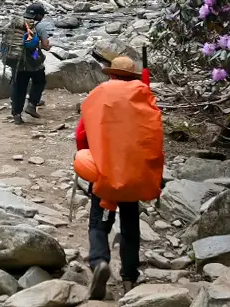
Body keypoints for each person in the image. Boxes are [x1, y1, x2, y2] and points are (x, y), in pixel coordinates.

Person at [75, 55, 160, 299]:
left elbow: (82, 135)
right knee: (130, 224)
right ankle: (129, 278)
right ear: (131, 76)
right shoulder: (143, 95)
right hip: (134, 172)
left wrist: (86, 156)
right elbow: (152, 134)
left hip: (104, 172)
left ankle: (100, 261)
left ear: (111, 74)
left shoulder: (99, 93)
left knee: (99, 223)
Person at [0, 2, 50, 124]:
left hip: (16, 60)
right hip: (33, 57)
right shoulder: (39, 26)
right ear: (38, 16)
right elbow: (45, 46)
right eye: (42, 15)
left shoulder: (13, 24)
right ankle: (32, 105)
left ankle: (16, 114)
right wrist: (46, 46)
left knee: (18, 87)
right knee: (39, 80)